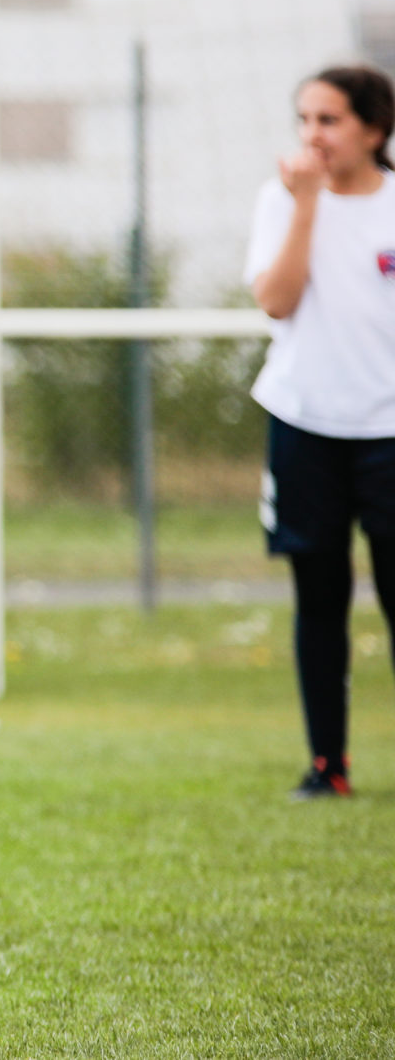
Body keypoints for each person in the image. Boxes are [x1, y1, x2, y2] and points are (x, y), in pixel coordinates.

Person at [245, 62, 395, 801]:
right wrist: (306, 206)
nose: (313, 135)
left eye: (329, 120)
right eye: (304, 119)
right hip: (304, 425)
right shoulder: (281, 200)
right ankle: (328, 765)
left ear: (373, 128)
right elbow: (276, 301)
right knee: (319, 597)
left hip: (390, 434)